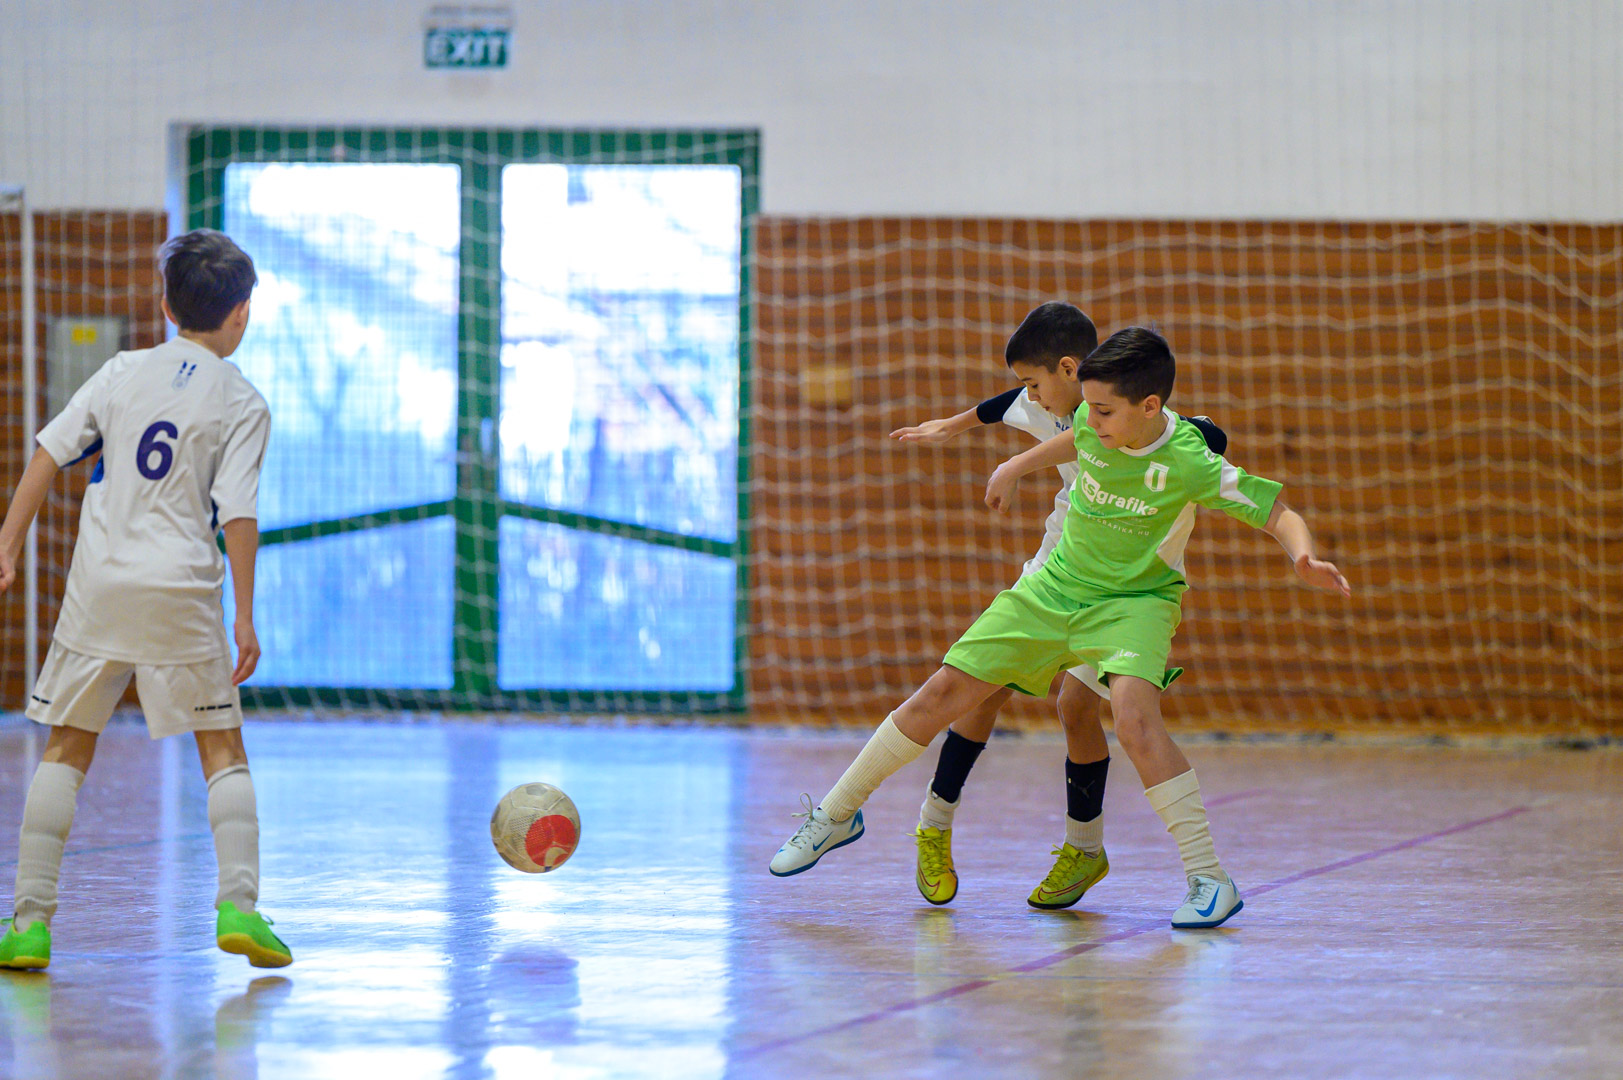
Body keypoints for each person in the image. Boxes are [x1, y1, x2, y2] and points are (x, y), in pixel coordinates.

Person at [771, 320, 1350, 928]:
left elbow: (1276, 510)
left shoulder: (1189, 459)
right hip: (1056, 587)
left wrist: (1303, 556)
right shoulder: (1094, 424)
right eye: (1088, 410)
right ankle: (836, 814)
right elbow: (1073, 438)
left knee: (1132, 719)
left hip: (1135, 601)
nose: (1088, 421)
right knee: (944, 691)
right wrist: (1014, 467)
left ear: (1150, 406)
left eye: (1103, 411)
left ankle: (1209, 878)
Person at [0, 228, 289, 969]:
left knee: (67, 745)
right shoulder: (243, 400)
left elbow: (47, 452)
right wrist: (245, 614)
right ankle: (239, 907)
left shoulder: (122, 370)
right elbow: (238, 513)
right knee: (221, 748)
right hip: (181, 588)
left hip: (100, 583)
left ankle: (28, 924)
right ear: (242, 313)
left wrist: (7, 541)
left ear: (165, 305)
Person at [889, 303, 1230, 911]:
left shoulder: (1140, 422)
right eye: (1026, 384)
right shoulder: (1040, 403)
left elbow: (1206, 439)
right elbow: (999, 406)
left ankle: (1085, 849)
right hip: (1056, 570)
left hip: (1122, 587)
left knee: (1077, 707)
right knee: (983, 690)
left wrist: (1199, 435)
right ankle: (934, 826)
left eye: (1035, 382)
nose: (1030, 395)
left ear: (1075, 371)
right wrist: (950, 426)